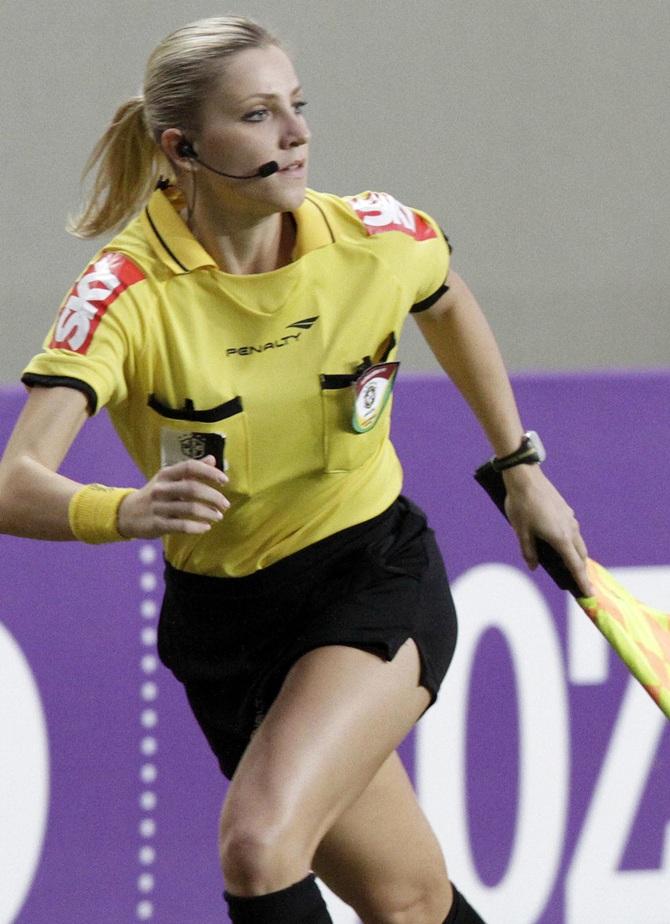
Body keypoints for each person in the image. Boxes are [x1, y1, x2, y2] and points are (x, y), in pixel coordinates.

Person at [0, 16, 592, 924]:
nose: (296, 131)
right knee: (409, 899)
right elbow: (16, 484)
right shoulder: (126, 294)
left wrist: (520, 467)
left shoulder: (369, 236)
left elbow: (444, 295)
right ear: (183, 147)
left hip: (370, 574)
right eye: (259, 114)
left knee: (260, 844)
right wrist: (128, 510)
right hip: (226, 625)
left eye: (298, 106)